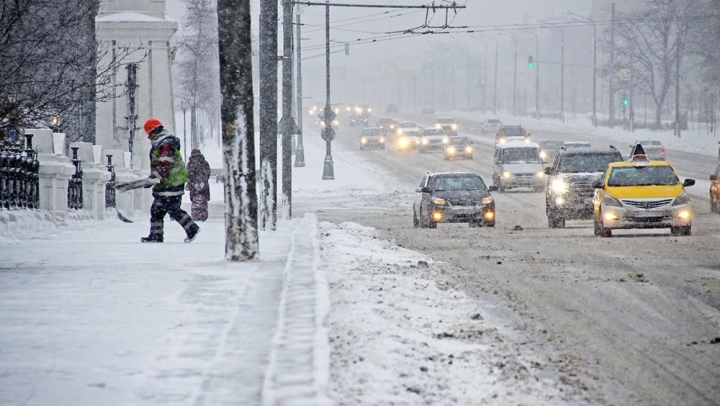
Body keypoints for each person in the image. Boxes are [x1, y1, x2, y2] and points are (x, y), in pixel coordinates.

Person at [141, 118, 200, 243]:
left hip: (173, 183)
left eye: (149, 134)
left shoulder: (165, 144)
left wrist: (154, 177)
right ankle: (156, 236)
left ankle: (192, 228)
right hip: (166, 183)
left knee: (173, 209)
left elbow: (165, 165)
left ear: (155, 132)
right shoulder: (161, 143)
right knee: (157, 209)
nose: (148, 138)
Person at [186, 148, 211, 221]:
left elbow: (188, 174)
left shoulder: (190, 163)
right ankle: (203, 215)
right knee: (203, 200)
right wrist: (202, 182)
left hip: (194, 185)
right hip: (204, 185)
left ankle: (196, 215)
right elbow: (207, 173)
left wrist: (192, 183)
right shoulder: (205, 163)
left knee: (195, 200)